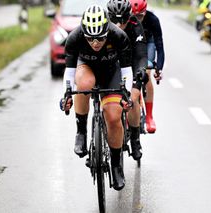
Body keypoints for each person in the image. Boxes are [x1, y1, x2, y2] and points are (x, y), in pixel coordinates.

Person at [60, 5, 133, 191]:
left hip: (112, 72)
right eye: (90, 38)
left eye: (100, 37)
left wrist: (126, 94)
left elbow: (126, 72)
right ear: (83, 32)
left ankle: (116, 165)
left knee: (114, 116)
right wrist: (66, 94)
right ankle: (81, 132)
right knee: (84, 85)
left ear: (107, 30)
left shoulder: (119, 36)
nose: (95, 43)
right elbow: (69, 75)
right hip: (88, 69)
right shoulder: (74, 38)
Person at [107, 0, 148, 161]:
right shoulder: (104, 26)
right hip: (110, 66)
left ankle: (135, 139)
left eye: (122, 21)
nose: (119, 25)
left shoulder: (135, 24)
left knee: (133, 98)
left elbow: (141, 55)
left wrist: (140, 72)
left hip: (131, 65)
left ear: (128, 17)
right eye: (115, 21)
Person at [129, 0, 164, 134]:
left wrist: (158, 68)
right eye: (134, 17)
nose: (137, 20)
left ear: (145, 12)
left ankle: (149, 116)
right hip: (133, 41)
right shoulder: (126, 19)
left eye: (140, 17)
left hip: (148, 42)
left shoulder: (153, 20)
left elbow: (160, 46)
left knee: (146, 73)